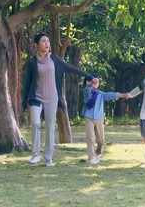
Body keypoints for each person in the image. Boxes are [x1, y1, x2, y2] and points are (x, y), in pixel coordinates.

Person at [22, 32, 98, 167]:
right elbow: (28, 82)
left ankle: (48, 157)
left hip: (52, 98)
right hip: (36, 98)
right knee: (35, 123)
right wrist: (24, 100)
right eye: (44, 41)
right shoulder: (33, 62)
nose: (47, 43)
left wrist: (89, 76)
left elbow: (72, 69)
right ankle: (36, 154)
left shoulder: (55, 60)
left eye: (48, 41)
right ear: (37, 45)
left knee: (50, 128)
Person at [81, 74, 128, 165]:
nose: (94, 83)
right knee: (90, 138)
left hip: (99, 118)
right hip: (88, 117)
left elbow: (110, 95)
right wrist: (91, 84)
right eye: (91, 81)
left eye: (96, 81)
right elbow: (88, 89)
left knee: (101, 140)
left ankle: (98, 153)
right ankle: (91, 158)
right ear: (87, 82)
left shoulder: (101, 94)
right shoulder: (86, 91)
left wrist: (122, 95)